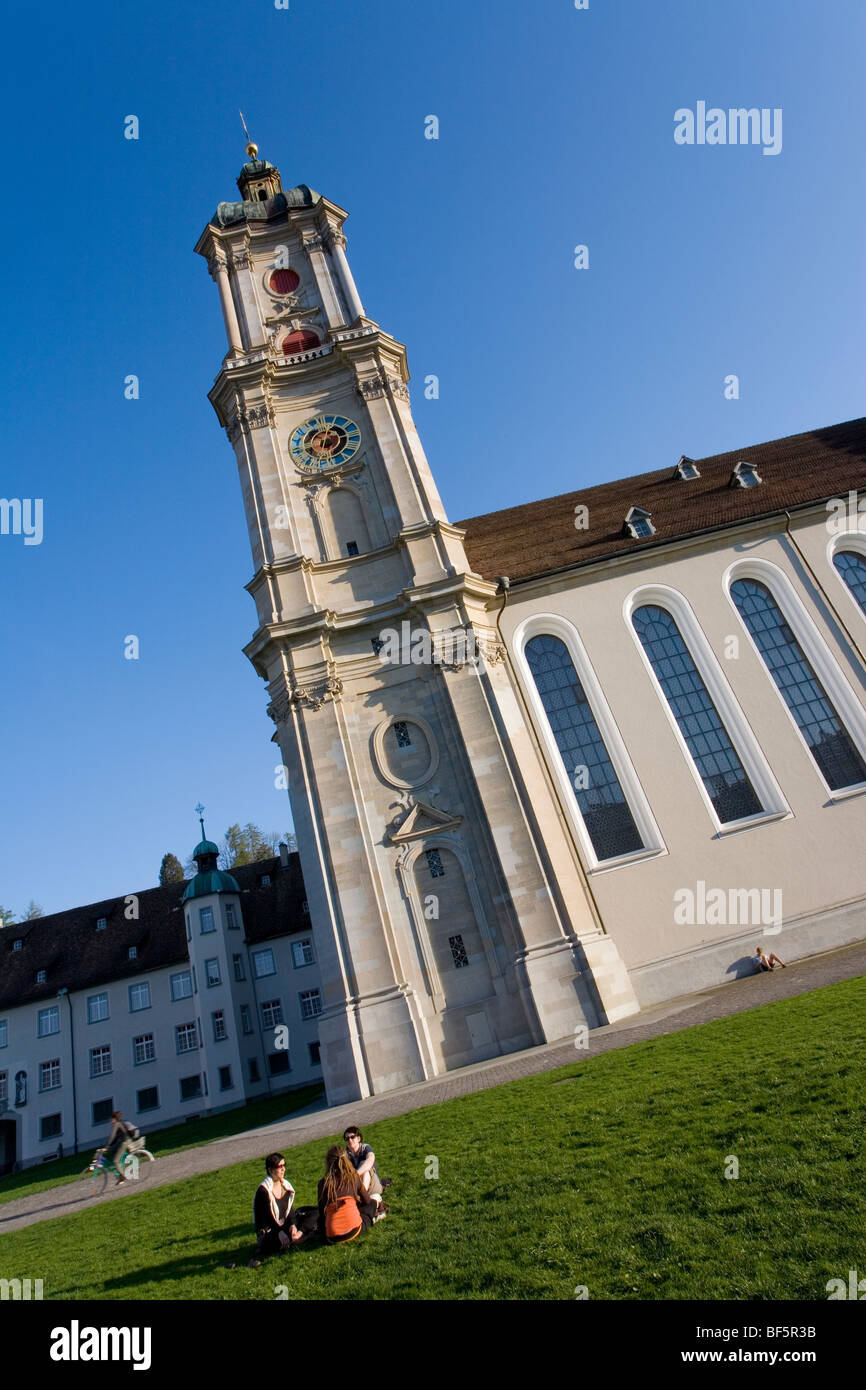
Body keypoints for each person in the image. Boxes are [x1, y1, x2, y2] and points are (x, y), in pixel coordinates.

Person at [253, 1153, 315, 1260]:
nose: (283, 1169)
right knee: (280, 1240)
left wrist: (293, 1225)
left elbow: (289, 1210)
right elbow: (267, 1220)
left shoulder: (285, 1185)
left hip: (284, 1225)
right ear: (271, 1170)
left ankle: (299, 1234)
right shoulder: (264, 1191)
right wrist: (280, 1232)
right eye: (279, 1166)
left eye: (284, 1165)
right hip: (270, 1231)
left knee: (316, 1212)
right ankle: (303, 1235)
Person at [318, 1144, 383, 1244]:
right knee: (374, 1200)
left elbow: (322, 1212)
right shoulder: (352, 1177)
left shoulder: (323, 1183)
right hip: (354, 1230)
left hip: (331, 1236)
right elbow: (367, 1201)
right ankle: (376, 1215)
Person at [343, 1125, 391, 1207]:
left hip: (373, 1185)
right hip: (356, 1186)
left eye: (352, 1137)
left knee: (365, 1166)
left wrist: (355, 1175)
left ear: (358, 1139)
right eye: (347, 1139)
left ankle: (361, 1198)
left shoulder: (365, 1148)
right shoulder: (345, 1155)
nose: (350, 1140)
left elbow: (370, 1160)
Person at [104, 1111, 137, 1184]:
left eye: (111, 1119)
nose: (110, 1121)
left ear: (114, 1119)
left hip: (124, 1142)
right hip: (124, 1141)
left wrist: (106, 1147)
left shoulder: (117, 1124)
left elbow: (112, 1136)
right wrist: (109, 1146)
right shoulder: (119, 1123)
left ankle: (122, 1176)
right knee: (114, 1153)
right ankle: (120, 1174)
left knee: (115, 1161)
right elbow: (115, 1137)